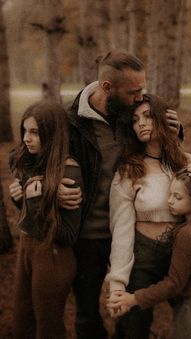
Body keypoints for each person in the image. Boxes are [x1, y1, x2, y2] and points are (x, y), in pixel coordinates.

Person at [58, 51, 182, 339]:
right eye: (134, 92)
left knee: (130, 309)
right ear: (107, 88)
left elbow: (156, 144)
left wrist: (176, 131)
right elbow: (25, 155)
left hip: (131, 232)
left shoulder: (131, 113)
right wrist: (40, 183)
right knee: (88, 312)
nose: (140, 97)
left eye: (142, 90)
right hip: (88, 235)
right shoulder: (69, 121)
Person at [105, 94, 191, 339]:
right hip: (144, 256)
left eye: (149, 116)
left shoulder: (184, 162)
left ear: (163, 119)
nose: (141, 123)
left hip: (182, 252)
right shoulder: (129, 170)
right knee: (132, 326)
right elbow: (121, 229)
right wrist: (117, 283)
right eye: (135, 119)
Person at [107, 165, 191, 339]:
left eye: (177, 197)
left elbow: (174, 284)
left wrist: (134, 299)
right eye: (170, 194)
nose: (169, 201)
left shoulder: (189, 235)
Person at [9, 101, 83, 339]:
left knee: (47, 328)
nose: (26, 139)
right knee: (22, 321)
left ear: (52, 134)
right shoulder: (33, 160)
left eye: (34, 132)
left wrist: (34, 202)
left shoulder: (68, 171)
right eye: (25, 131)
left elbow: (68, 235)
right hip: (27, 249)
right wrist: (20, 200)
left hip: (53, 257)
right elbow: (32, 213)